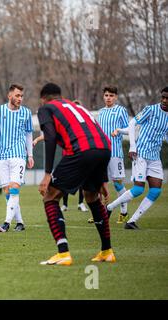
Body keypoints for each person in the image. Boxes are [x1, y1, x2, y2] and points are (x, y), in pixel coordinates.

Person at [37, 83, 114, 266]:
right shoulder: (77, 106)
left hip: (80, 150)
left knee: (50, 196)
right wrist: (102, 179)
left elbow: (50, 137)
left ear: (43, 99)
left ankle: (63, 253)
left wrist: (48, 173)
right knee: (91, 196)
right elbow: (97, 136)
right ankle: (107, 251)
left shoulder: (46, 108)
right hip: (104, 148)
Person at [106, 87, 168, 229]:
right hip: (140, 153)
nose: (164, 100)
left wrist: (120, 131)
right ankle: (109, 208)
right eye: (163, 97)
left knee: (156, 191)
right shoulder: (151, 109)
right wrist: (133, 146)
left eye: (167, 98)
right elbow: (133, 123)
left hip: (155, 157)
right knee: (139, 189)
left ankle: (131, 221)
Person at [0, 84, 34, 233]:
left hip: (18, 155)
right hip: (1, 156)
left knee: (14, 187)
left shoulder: (26, 112)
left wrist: (29, 155)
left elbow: (29, 134)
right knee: (7, 191)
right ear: (9, 96)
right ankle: (20, 222)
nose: (20, 98)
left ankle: (6, 223)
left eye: (21, 96)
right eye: (17, 96)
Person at [92, 86, 130, 223]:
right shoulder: (101, 112)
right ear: (103, 96)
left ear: (116, 97)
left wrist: (119, 130)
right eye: (106, 95)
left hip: (115, 153)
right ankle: (99, 213)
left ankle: (124, 212)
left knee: (117, 184)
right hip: (102, 153)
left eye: (111, 95)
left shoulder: (121, 110)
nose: (108, 97)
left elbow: (129, 129)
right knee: (98, 183)